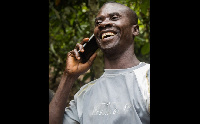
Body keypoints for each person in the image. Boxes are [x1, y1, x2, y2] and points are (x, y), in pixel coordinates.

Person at [49, 2, 150, 124]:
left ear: (135, 30)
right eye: (98, 22)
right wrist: (69, 76)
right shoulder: (84, 94)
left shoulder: (146, 78)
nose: (104, 24)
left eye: (114, 18)